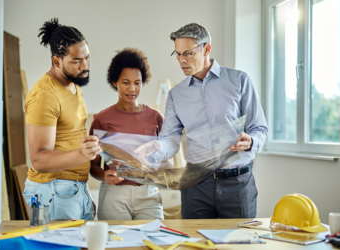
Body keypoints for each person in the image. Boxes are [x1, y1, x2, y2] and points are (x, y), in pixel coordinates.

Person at [136, 23, 268, 219]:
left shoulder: (240, 80)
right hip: (195, 188)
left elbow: (259, 128)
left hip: (237, 184)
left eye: (188, 53)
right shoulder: (176, 95)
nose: (182, 60)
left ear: (206, 49)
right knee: (194, 245)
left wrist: (251, 141)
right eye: (178, 54)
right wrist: (157, 147)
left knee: (239, 245)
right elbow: (170, 139)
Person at [22, 18, 101, 221]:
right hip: (53, 191)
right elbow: (39, 159)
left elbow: (70, 138)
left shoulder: (73, 84)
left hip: (71, 191)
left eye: (87, 58)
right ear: (57, 61)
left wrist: (82, 194)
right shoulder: (44, 95)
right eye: (76, 61)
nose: (85, 66)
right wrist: (83, 154)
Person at [89, 48, 164, 220]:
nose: (132, 89)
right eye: (125, 82)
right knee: (117, 246)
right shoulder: (101, 119)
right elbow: (93, 167)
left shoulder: (156, 117)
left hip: (148, 194)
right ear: (115, 82)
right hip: (114, 195)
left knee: (154, 243)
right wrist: (105, 176)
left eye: (137, 83)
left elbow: (166, 154)